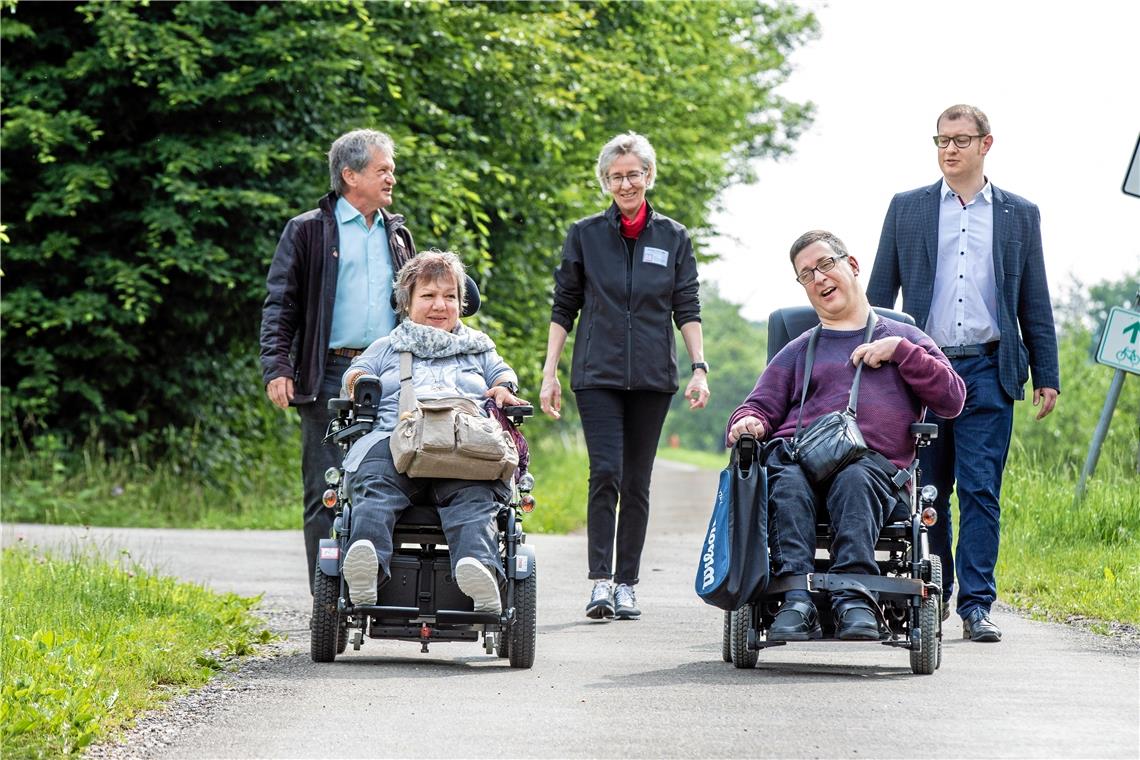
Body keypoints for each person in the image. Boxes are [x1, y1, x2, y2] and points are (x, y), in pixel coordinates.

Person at [867, 104, 1060, 643]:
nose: (949, 149)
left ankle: (978, 605)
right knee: (927, 492)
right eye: (941, 140)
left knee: (980, 490)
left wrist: (1047, 371)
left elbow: (1033, 298)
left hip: (989, 367)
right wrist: (864, 363)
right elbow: (879, 296)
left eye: (959, 139)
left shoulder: (1020, 214)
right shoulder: (907, 208)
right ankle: (936, 593)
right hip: (921, 370)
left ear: (985, 144)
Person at [727, 230, 965, 641]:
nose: (818, 279)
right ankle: (796, 601)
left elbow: (952, 398)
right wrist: (747, 421)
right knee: (785, 477)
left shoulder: (906, 340)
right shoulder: (799, 349)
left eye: (825, 265)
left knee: (855, 476)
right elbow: (758, 404)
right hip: (801, 463)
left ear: (851, 265)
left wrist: (901, 353)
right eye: (806, 275)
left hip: (873, 472)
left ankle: (855, 598)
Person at [540, 131, 711, 621]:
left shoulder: (673, 237)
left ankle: (627, 584)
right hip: (597, 373)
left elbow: (687, 306)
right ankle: (598, 582)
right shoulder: (586, 235)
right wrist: (549, 373)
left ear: (648, 175)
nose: (626, 183)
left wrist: (699, 366)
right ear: (605, 182)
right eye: (616, 176)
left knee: (637, 481)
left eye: (634, 174)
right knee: (606, 474)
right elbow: (564, 306)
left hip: (654, 377)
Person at [260, 129, 416, 593]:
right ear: (350, 175)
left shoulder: (396, 232)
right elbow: (280, 304)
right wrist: (277, 367)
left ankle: (374, 588)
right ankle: (326, 600)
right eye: (382, 169)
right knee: (327, 488)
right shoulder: (308, 230)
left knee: (391, 475)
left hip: (388, 373)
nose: (392, 176)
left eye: (391, 168)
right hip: (328, 372)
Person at [337, 251, 526, 613]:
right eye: (428, 296)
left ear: (461, 302)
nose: (440, 305)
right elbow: (354, 374)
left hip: (462, 446)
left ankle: (479, 572)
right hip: (397, 440)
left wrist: (503, 389)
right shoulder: (387, 345)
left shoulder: (479, 348)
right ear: (407, 302)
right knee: (375, 485)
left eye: (450, 296)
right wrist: (360, 382)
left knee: (474, 499)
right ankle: (367, 571)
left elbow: (503, 375)